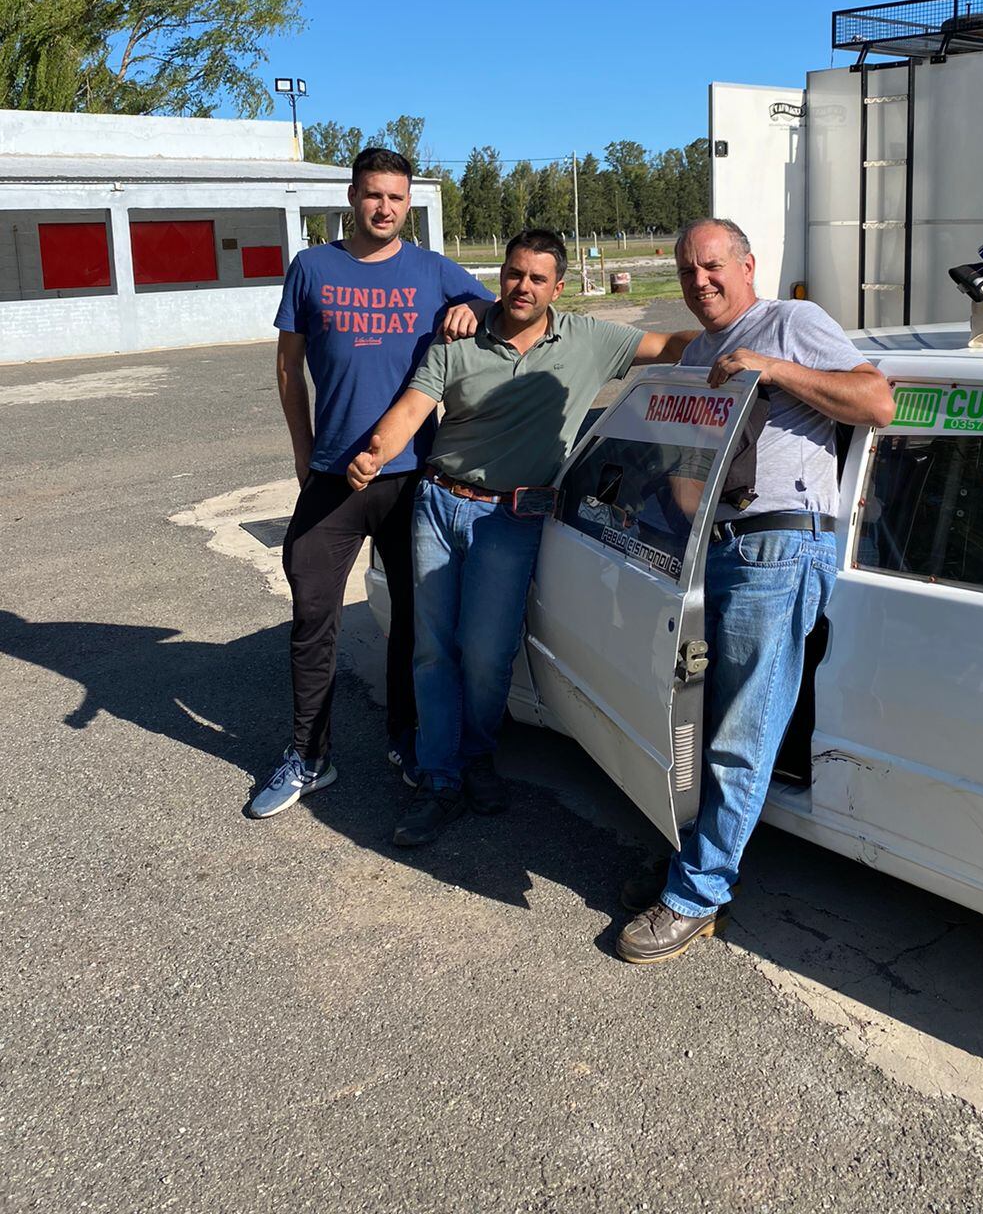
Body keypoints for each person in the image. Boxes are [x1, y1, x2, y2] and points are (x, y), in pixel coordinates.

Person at [346, 227, 698, 845]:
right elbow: (412, 406)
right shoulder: (459, 337)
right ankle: (439, 778)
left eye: (537, 278)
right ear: (500, 275)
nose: (523, 287)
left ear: (557, 288)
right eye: (514, 274)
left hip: (513, 519)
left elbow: (670, 343)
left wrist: (745, 343)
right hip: (439, 504)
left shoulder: (589, 339)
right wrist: (374, 453)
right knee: (432, 650)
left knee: (487, 655)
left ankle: (477, 756)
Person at [615, 217, 895, 964]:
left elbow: (876, 401)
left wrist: (772, 368)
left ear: (746, 264)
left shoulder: (790, 321)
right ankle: (695, 857)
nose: (698, 282)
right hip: (713, 545)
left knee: (741, 732)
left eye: (711, 266)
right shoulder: (701, 351)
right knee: (701, 725)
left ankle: (697, 894)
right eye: (686, 271)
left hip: (778, 544)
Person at [249, 148, 491, 819]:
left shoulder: (433, 270)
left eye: (395, 197)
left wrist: (471, 307)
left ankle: (407, 740)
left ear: (407, 203)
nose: (383, 208)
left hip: (415, 480)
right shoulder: (313, 268)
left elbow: (496, 308)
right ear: (352, 198)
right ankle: (308, 756)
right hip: (334, 478)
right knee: (312, 614)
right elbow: (287, 369)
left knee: (417, 623)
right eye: (372, 195)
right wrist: (304, 453)